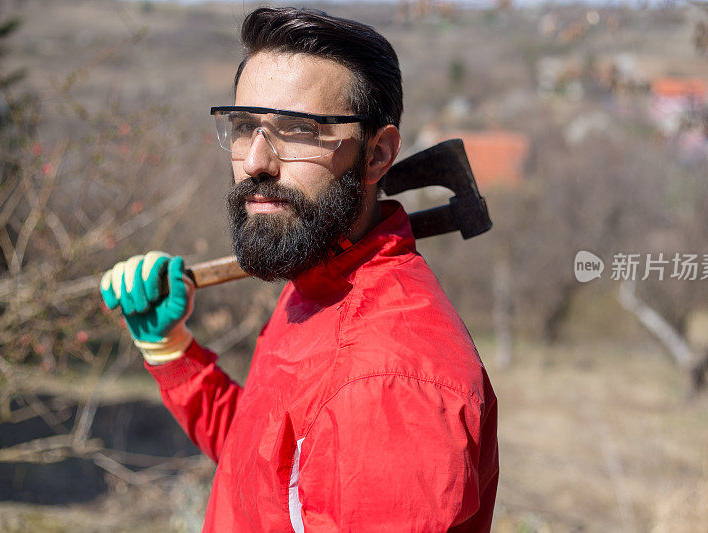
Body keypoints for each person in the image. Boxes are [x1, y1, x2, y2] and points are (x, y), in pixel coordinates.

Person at [100, 7, 498, 532]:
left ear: (378, 154)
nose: (257, 161)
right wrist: (171, 351)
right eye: (245, 128)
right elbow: (267, 472)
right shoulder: (317, 278)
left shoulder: (390, 385)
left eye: (298, 130)